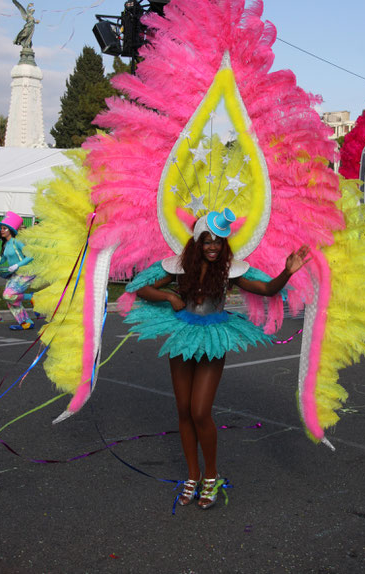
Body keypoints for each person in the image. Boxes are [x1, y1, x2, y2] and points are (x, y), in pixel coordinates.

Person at [126, 208, 310, 509]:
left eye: (219, 242)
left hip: (213, 336)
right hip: (183, 334)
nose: (213, 246)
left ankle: (212, 475)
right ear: (197, 242)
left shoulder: (230, 271)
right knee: (183, 410)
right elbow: (142, 287)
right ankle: (193, 475)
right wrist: (171, 297)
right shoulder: (178, 266)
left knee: (200, 411)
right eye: (208, 241)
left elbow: (266, 289)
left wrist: (288, 271)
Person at [0, 211, 36, 331]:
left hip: (26, 273)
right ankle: (26, 322)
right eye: (1, 228)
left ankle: (31, 297)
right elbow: (1, 260)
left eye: (4, 228)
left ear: (11, 230)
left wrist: (17, 265)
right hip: (15, 274)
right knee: (10, 300)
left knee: (8, 294)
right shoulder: (6, 244)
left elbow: (31, 255)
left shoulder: (17, 241)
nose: (2, 230)